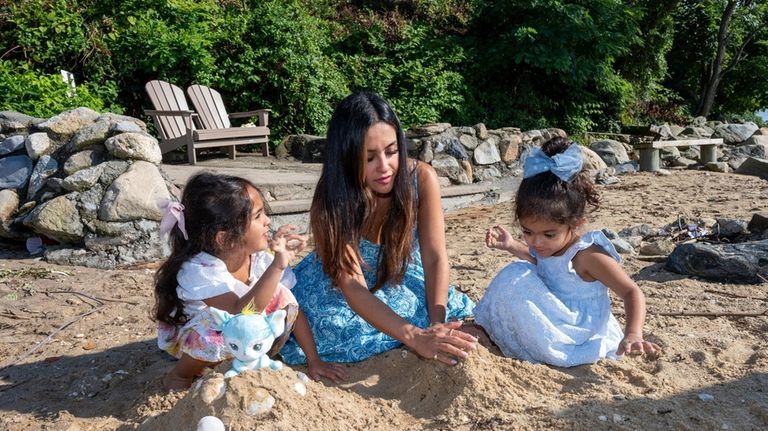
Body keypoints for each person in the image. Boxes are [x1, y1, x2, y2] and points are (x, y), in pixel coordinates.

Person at [280, 91, 477, 366]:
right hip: (342, 286)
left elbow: (435, 257)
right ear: (347, 157)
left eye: (392, 151)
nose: (384, 168)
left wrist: (435, 325)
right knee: (332, 327)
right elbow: (353, 287)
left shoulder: (420, 178)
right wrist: (415, 337)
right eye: (369, 157)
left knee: (424, 307)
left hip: (398, 273)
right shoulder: (331, 202)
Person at [474, 137, 661, 367]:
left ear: (575, 223)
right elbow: (542, 263)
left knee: (517, 276)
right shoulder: (545, 248)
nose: (536, 242)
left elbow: (631, 292)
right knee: (514, 273)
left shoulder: (587, 255)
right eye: (528, 232)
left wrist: (633, 333)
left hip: (578, 332)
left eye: (548, 234)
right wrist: (512, 245)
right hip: (553, 313)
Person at [154, 173, 346, 390]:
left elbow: (292, 307)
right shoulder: (199, 270)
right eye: (258, 216)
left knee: (281, 293)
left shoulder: (261, 260)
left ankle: (244, 361)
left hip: (243, 339)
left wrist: (314, 360)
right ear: (224, 238)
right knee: (217, 327)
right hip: (200, 341)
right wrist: (277, 267)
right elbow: (239, 312)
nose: (268, 221)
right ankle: (180, 376)